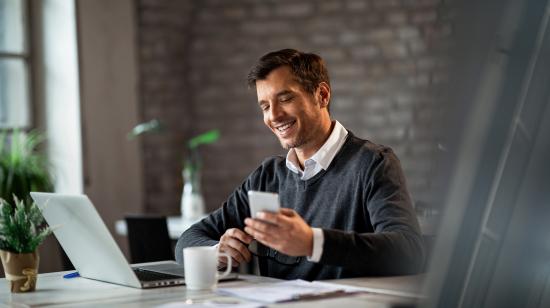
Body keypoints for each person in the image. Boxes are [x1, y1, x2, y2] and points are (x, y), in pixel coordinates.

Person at [175, 49, 425, 280]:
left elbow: (408, 252)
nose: (273, 115)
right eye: (265, 106)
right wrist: (216, 250)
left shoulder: (373, 164)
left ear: (322, 95)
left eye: (285, 99)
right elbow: (187, 240)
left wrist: (312, 242)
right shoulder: (267, 177)